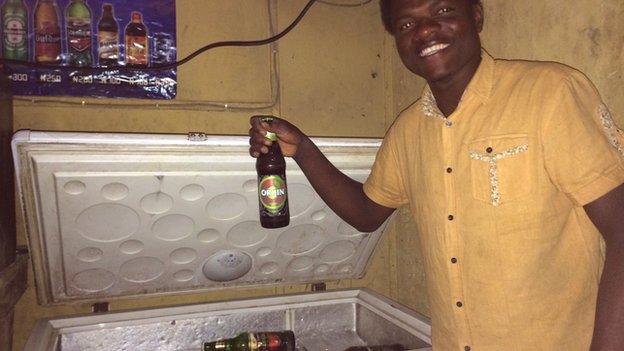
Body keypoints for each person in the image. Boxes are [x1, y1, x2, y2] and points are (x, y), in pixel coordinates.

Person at [249, 0, 624, 349]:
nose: (425, 31)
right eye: (407, 23)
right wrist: (301, 149)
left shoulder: (551, 93)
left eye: (442, 9)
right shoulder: (407, 131)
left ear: (475, 15)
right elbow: (366, 212)